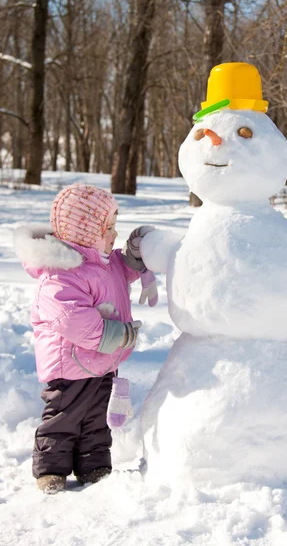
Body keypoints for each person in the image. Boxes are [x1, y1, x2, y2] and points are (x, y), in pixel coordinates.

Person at [14, 183, 157, 494]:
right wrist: (116, 335)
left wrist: (135, 255)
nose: (114, 234)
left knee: (96, 418)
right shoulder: (59, 275)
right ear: (86, 231)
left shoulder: (103, 262)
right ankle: (51, 469)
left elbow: (123, 269)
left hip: (101, 363)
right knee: (64, 419)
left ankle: (94, 465)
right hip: (70, 365)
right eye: (109, 228)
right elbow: (71, 319)